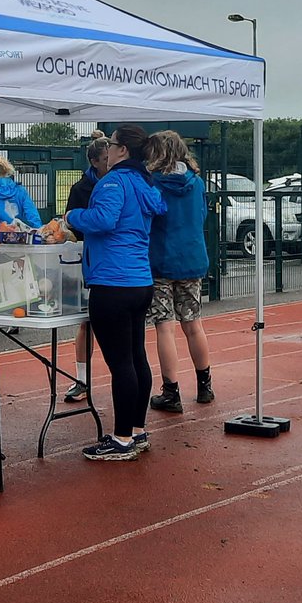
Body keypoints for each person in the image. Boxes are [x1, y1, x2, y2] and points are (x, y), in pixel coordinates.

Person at [65, 124, 166, 461]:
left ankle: (122, 437)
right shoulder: (143, 183)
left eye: (109, 144)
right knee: (136, 357)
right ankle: (135, 430)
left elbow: (104, 220)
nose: (105, 149)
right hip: (139, 281)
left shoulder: (113, 181)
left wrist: (72, 216)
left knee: (122, 363)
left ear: (121, 150)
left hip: (112, 282)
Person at [145, 130, 214, 413]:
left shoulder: (152, 184)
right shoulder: (196, 183)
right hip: (192, 258)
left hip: (161, 260)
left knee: (164, 327)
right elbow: (202, 215)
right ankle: (204, 385)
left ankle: (171, 391)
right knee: (193, 323)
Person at [62, 131, 112, 403]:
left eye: (112, 157)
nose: (110, 162)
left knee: (118, 329)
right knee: (85, 324)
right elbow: (70, 225)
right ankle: (82, 381)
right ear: (94, 161)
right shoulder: (80, 189)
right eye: (106, 159)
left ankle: (127, 382)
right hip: (87, 263)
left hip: (114, 267)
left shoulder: (122, 184)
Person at [0, 156, 42, 230]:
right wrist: (38, 229)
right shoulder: (20, 190)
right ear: (7, 171)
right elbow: (31, 212)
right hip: (16, 232)